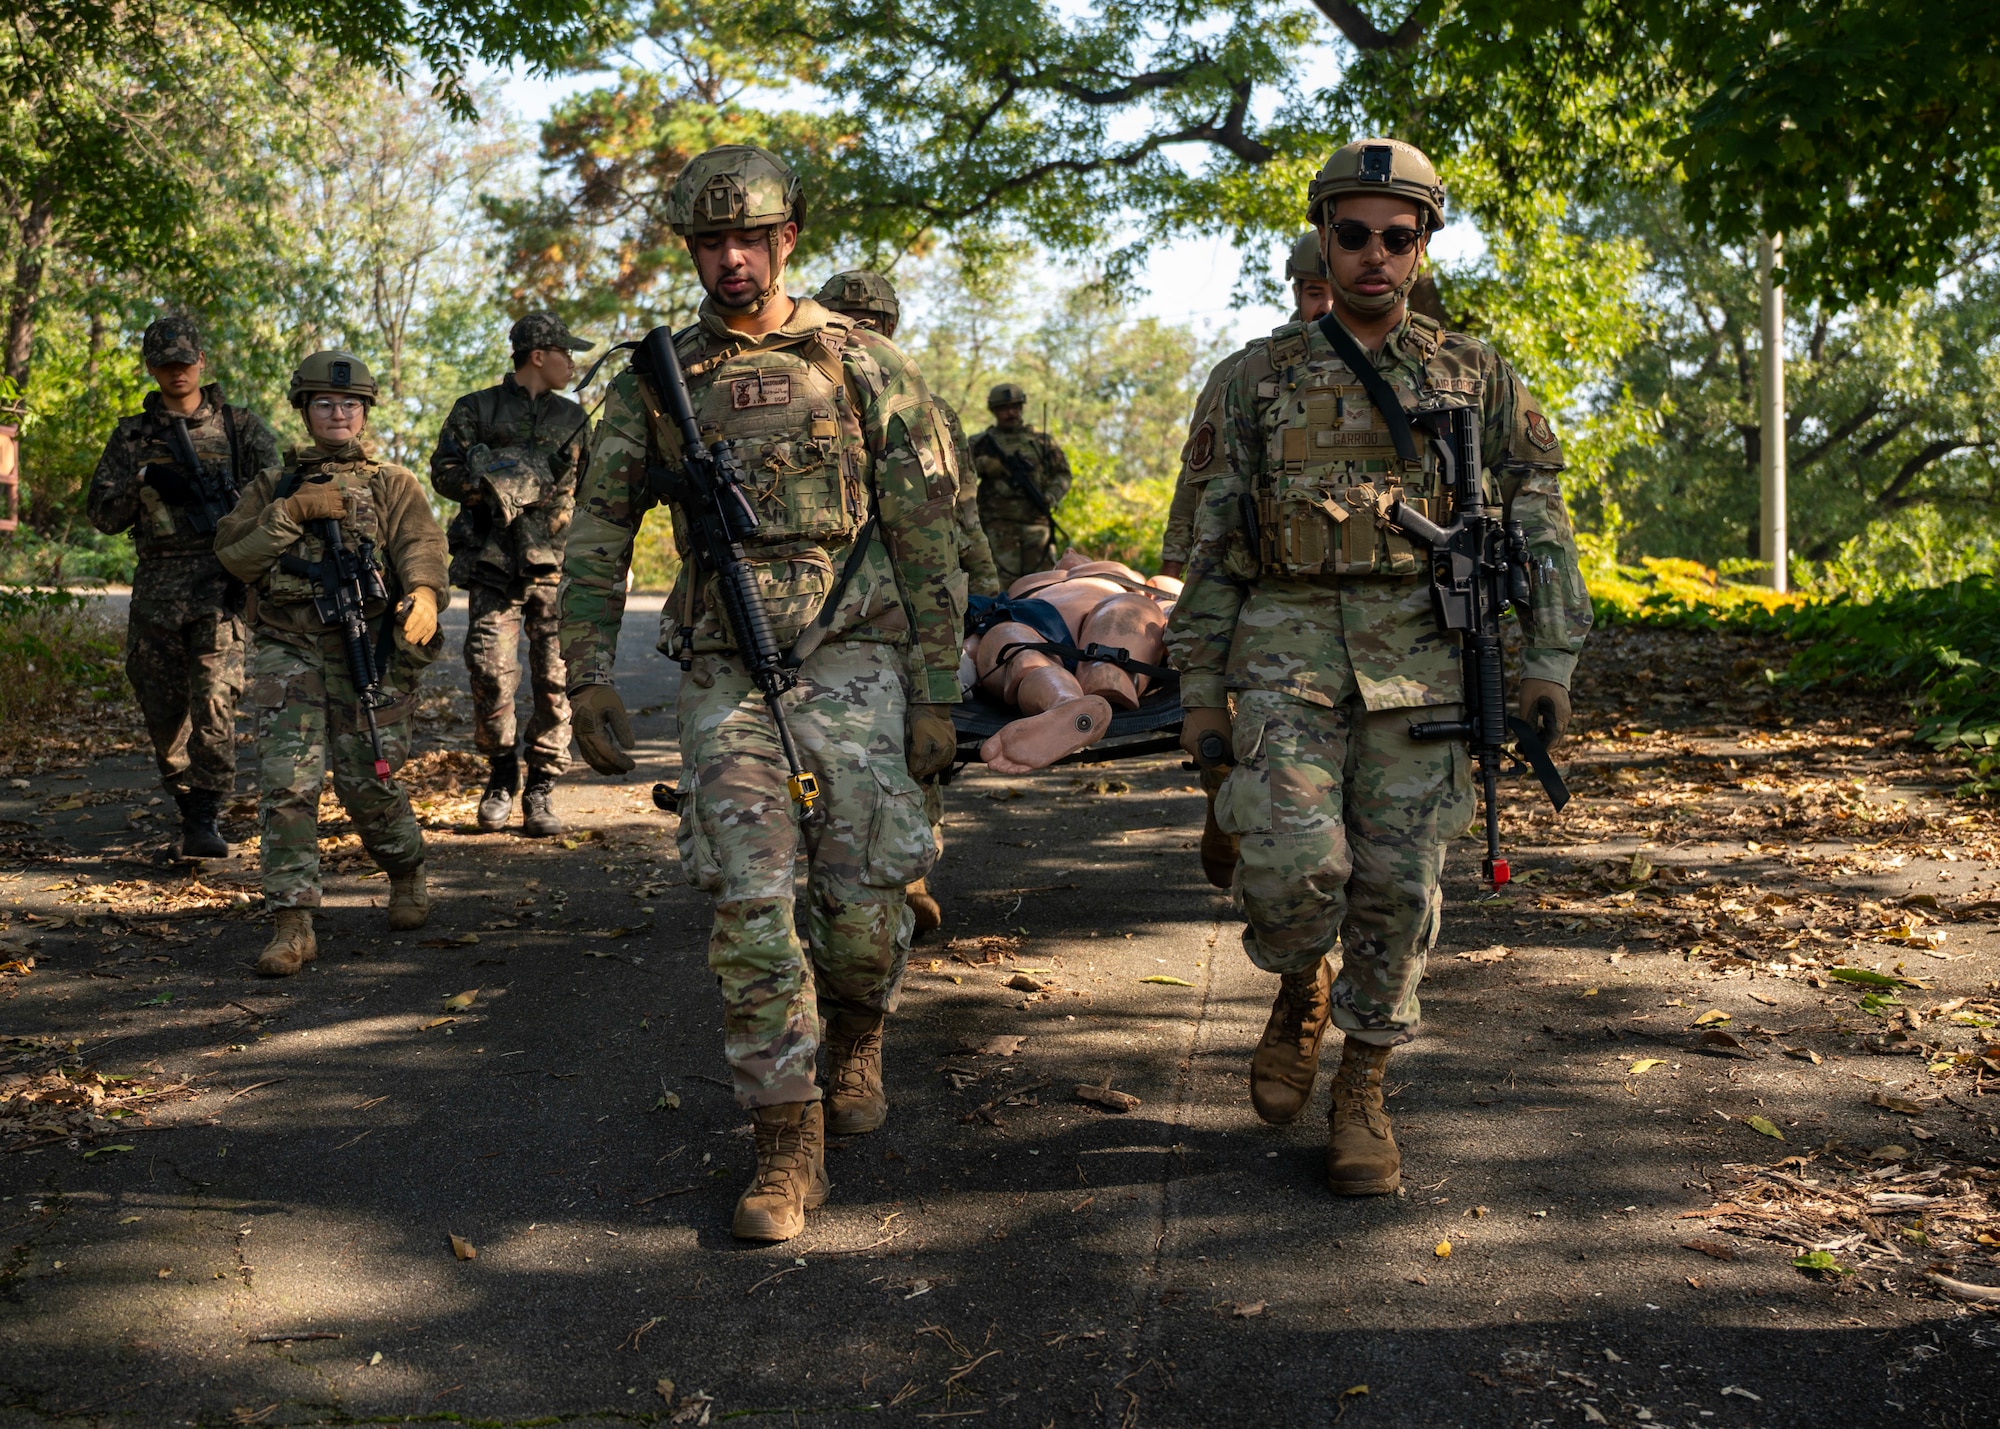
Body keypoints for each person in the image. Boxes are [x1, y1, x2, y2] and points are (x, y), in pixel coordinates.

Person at [1164, 138, 1591, 1196]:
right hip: (1284, 660)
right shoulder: (1251, 380)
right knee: (1296, 867)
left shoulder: (1477, 377)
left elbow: (1538, 520)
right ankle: (1301, 978)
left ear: (1423, 245)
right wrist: (1195, 690)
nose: (1371, 256)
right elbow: (1212, 548)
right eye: (1350, 233)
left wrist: (1548, 661)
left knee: (1400, 890)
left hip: (1425, 671)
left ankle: (1360, 1084)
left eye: (1395, 237)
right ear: (1321, 236)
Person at [559, 146, 965, 1242]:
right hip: (727, 672)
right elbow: (599, 527)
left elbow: (927, 532)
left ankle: (860, 1024)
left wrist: (937, 691)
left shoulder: (863, 363)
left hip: (858, 662)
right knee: (748, 909)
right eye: (708, 242)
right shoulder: (657, 378)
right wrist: (586, 672)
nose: (730, 259)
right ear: (689, 250)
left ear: (789, 238)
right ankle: (787, 1143)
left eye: (750, 238)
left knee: (863, 913)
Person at [214, 351, 449, 977]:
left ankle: (406, 869)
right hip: (287, 644)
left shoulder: (392, 482)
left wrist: (424, 593)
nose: (338, 413)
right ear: (305, 411)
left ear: (365, 413)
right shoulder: (272, 485)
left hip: (366, 647)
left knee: (367, 778)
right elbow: (234, 557)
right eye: (324, 403)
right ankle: (293, 924)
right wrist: (287, 516)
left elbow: (422, 545)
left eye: (349, 404)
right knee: (287, 781)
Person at [813, 269, 1001, 937]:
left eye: (873, 324)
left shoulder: (923, 405)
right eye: (850, 321)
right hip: (842, 607)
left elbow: (960, 510)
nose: (863, 334)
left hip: (911, 597)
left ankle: (910, 871)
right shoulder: (798, 401)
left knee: (917, 736)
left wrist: (983, 588)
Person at [1160, 233, 1337, 890]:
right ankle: (1224, 801)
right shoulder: (1248, 372)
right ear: (1296, 290)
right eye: (1313, 290)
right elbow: (1202, 487)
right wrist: (1179, 572)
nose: (1324, 304)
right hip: (1266, 604)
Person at [87, 316, 280, 857]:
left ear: (202, 363)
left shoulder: (241, 429)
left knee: (217, 701)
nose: (178, 372)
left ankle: (205, 815)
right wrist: (146, 479)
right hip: (157, 591)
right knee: (163, 706)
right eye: (166, 364)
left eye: (185, 362)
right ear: (152, 368)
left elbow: (280, 497)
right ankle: (183, 796)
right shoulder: (131, 436)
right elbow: (101, 513)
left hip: (222, 587)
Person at [430, 312, 592, 838]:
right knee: (490, 674)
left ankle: (542, 785)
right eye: (567, 352)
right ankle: (501, 775)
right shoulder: (476, 409)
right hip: (492, 564)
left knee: (555, 679)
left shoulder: (572, 419)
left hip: (555, 565)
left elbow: (590, 495)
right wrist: (494, 484)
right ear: (539, 355)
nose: (573, 362)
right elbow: (444, 472)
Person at [972, 382, 1072, 584]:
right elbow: (955, 474)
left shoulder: (1041, 442)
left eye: (1015, 407)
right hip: (997, 526)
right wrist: (980, 465)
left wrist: (1051, 496)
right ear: (994, 410)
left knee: (1043, 586)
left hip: (1037, 525)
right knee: (1000, 586)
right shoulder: (980, 443)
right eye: (1004, 409)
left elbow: (1062, 475)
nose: (1011, 413)